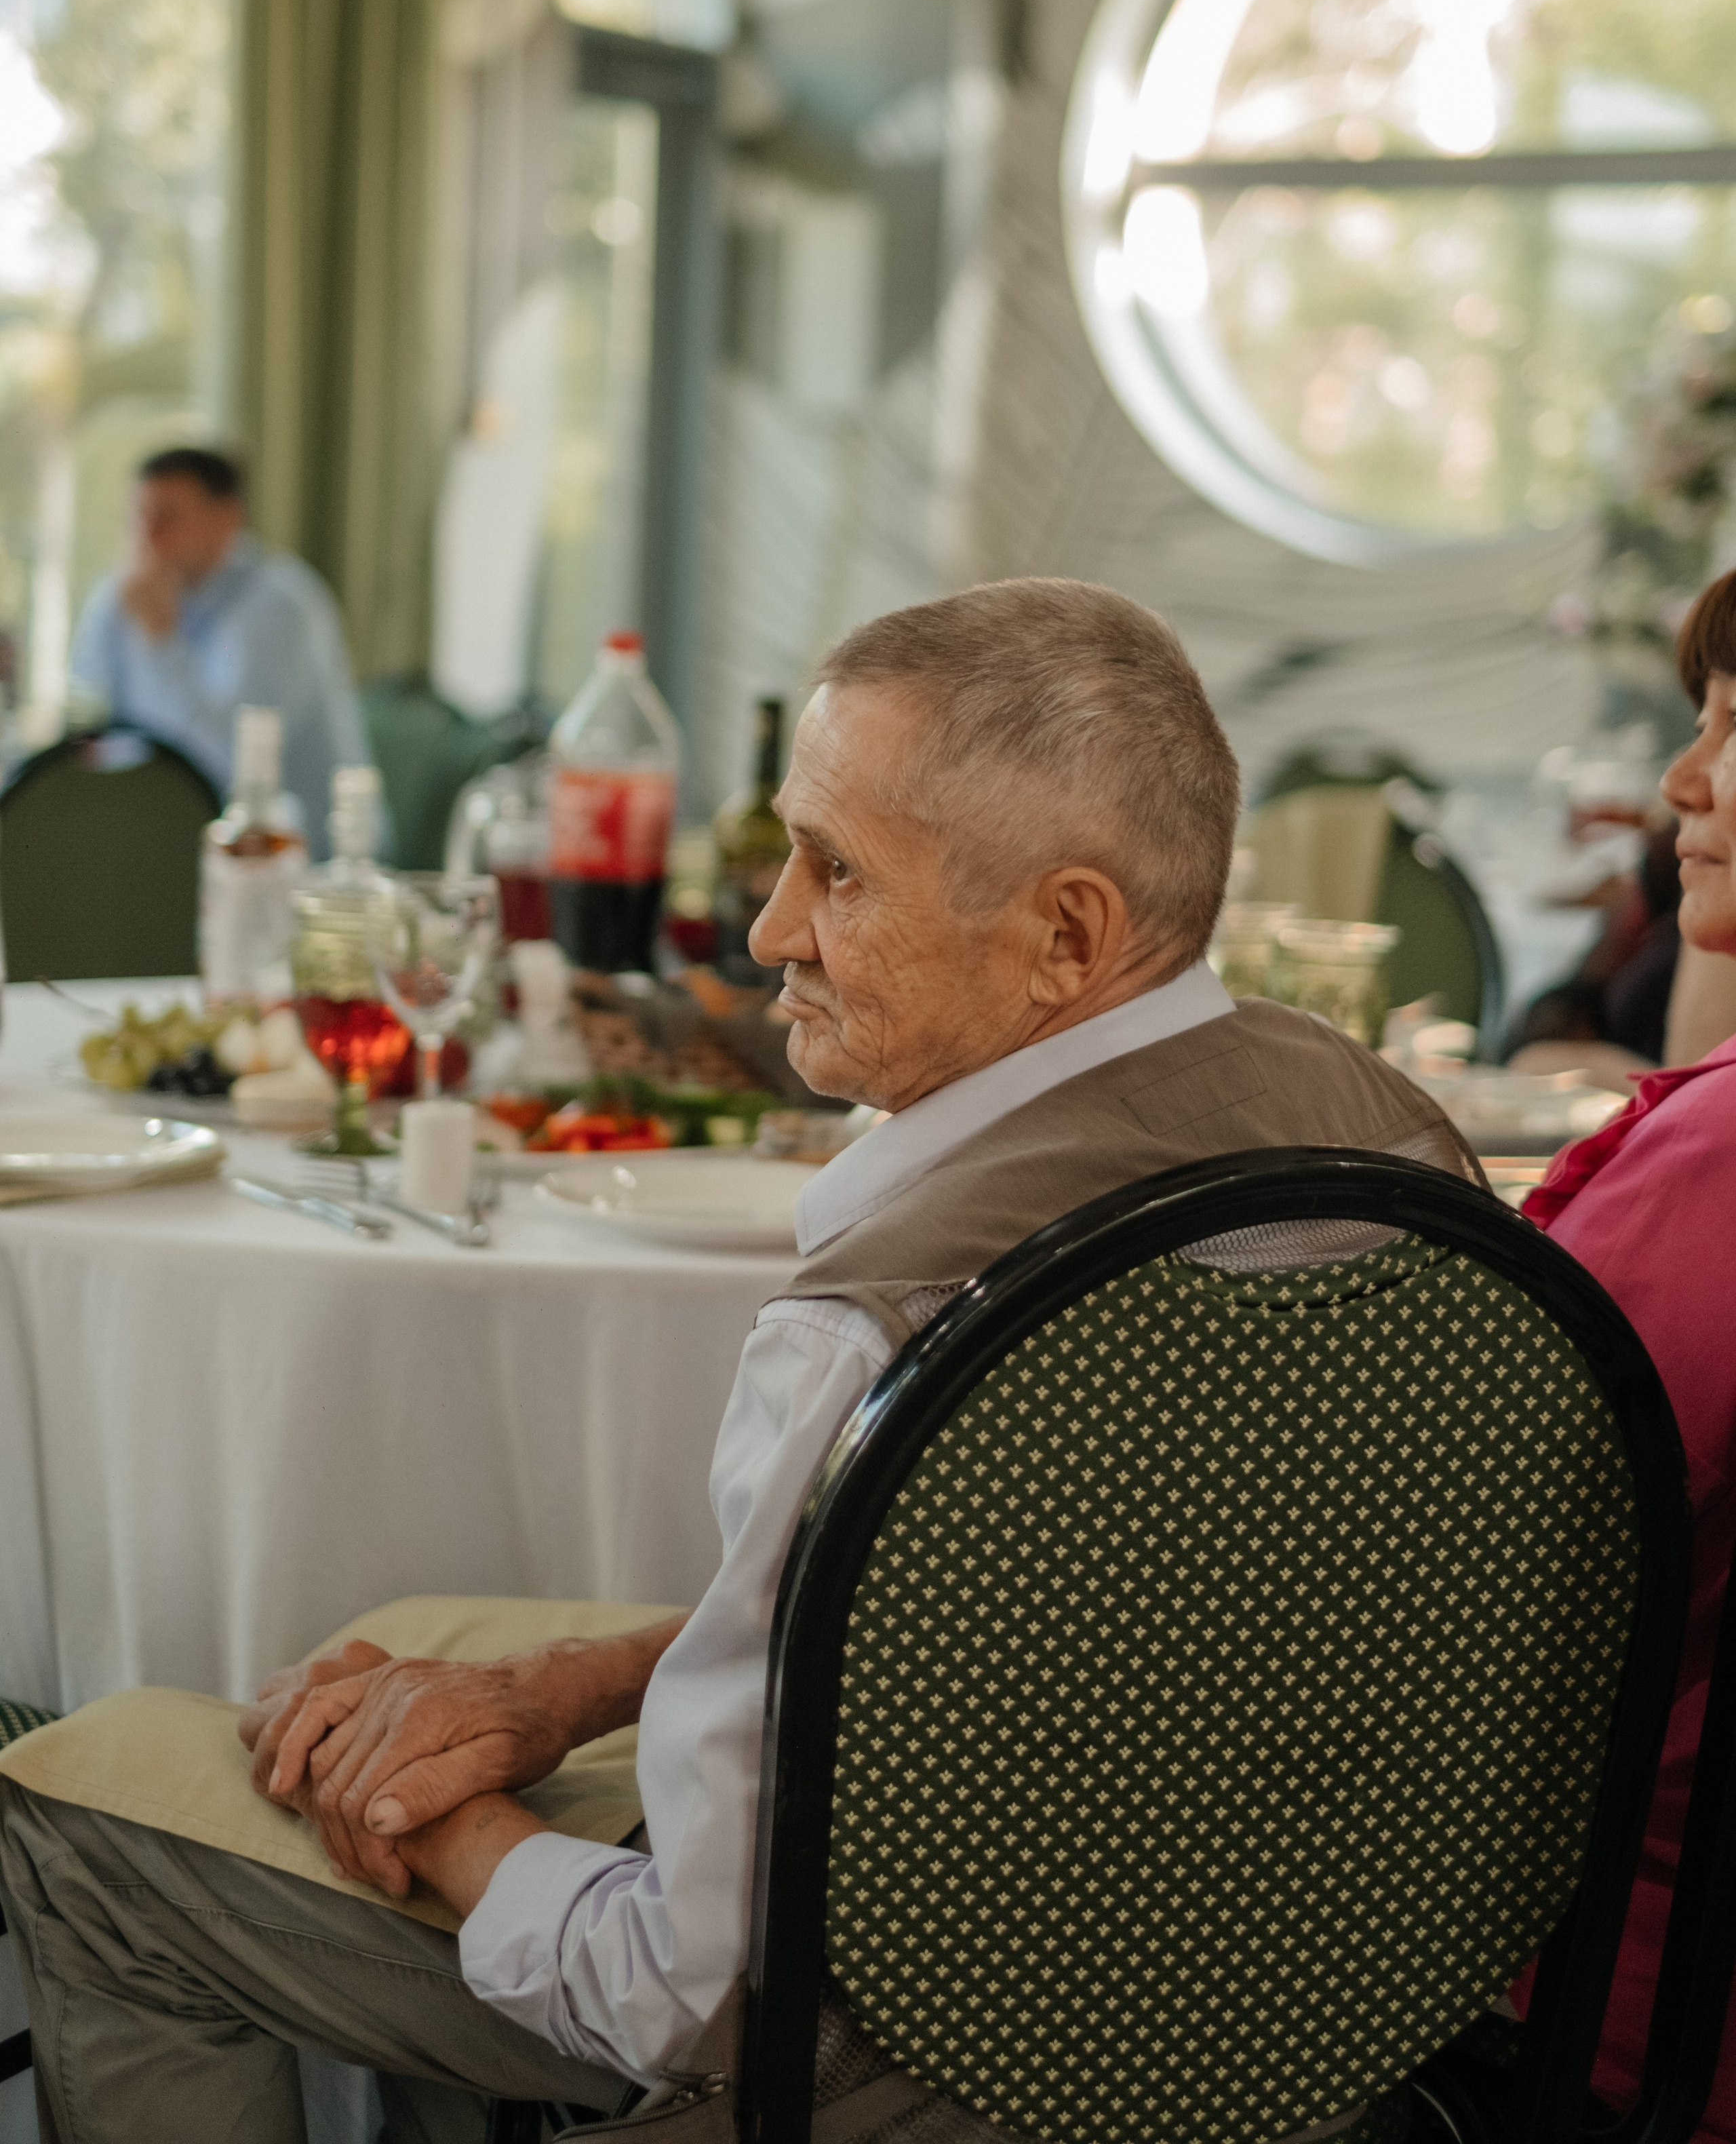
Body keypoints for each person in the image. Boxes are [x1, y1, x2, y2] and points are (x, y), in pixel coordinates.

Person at [0, 579, 1478, 2144]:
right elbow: (1084, 1634)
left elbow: (680, 1991)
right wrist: (564, 1685)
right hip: (1307, 2045)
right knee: (422, 1646)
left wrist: (438, 1826)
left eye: (834, 870)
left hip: (900, 2083)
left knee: (87, 1819)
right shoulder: (1404, 1148)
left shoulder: (888, 1323)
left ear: (1064, 932)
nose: (769, 926)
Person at [1518, 564, 1736, 2140]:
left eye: (1730, 727)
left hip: (1612, 2016)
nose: (1676, 779)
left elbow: (1448, 1559)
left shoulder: (1715, 1166)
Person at [68, 445, 370, 856]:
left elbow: (224, 772)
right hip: (169, 849)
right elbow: (85, 722)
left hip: (306, 863)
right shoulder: (121, 597)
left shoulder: (279, 608)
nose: (147, 536)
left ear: (228, 519)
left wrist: (161, 644)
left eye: (167, 518)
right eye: (139, 517)